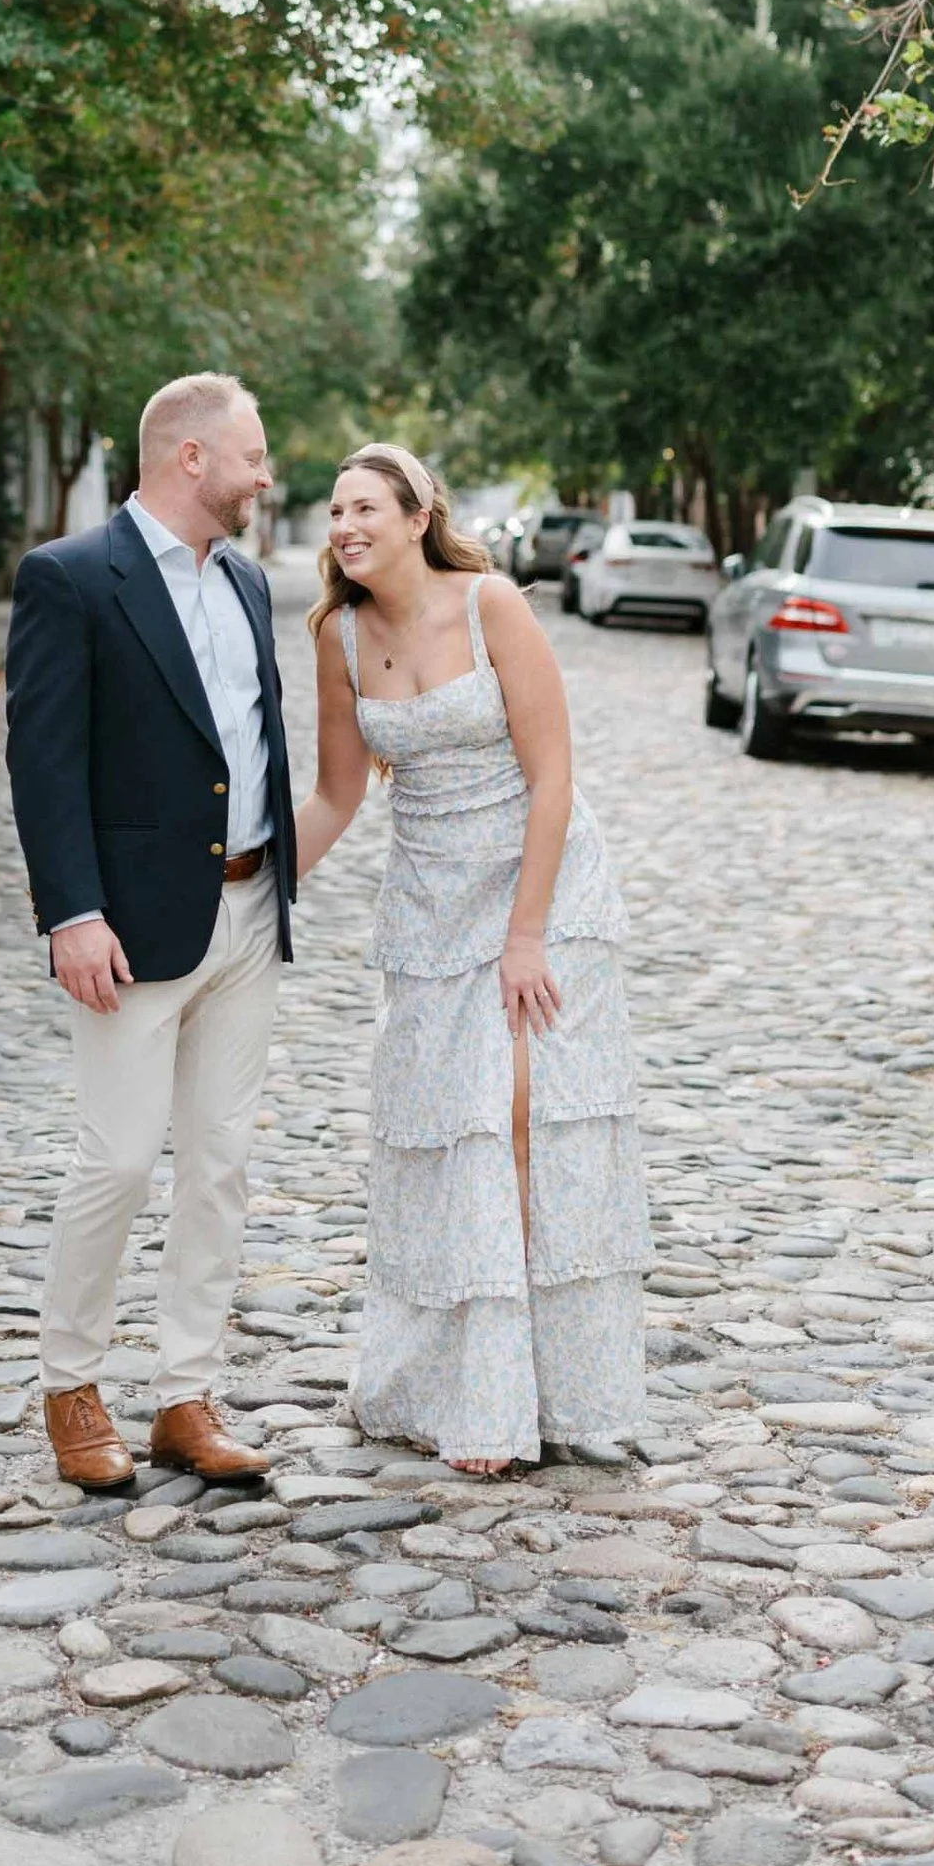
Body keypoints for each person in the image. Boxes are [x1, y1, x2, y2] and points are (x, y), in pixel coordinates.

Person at [294, 446, 647, 1476]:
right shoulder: (338, 636)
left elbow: (553, 774)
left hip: (540, 884)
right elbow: (336, 796)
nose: (346, 526)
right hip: (430, 904)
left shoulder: (492, 605)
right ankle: (460, 1384)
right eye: (335, 511)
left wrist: (524, 935)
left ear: (418, 517)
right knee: (452, 1129)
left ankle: (536, 1388)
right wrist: (248, 887)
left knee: (523, 1117)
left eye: (366, 507)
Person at [5, 372, 296, 1491]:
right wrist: (71, 912)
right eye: (252, 455)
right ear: (190, 456)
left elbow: (251, 745)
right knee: (119, 1160)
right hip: (128, 926)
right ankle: (70, 1385)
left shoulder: (248, 582)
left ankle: (186, 1395)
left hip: (250, 909)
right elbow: (43, 760)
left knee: (219, 1164)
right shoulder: (72, 577)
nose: (264, 475)